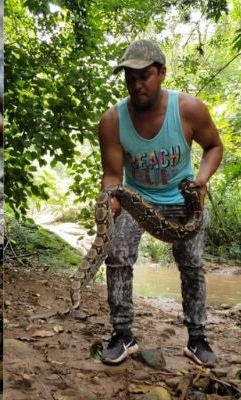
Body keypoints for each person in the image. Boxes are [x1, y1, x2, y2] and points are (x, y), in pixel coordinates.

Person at [96, 39, 224, 366]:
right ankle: (123, 334)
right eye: (130, 77)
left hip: (182, 196)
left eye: (145, 76)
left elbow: (213, 147)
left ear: (162, 73)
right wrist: (109, 201)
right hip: (137, 199)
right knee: (118, 254)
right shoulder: (112, 121)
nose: (137, 85)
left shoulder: (189, 109)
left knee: (192, 264)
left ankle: (197, 339)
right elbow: (112, 174)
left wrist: (202, 180)